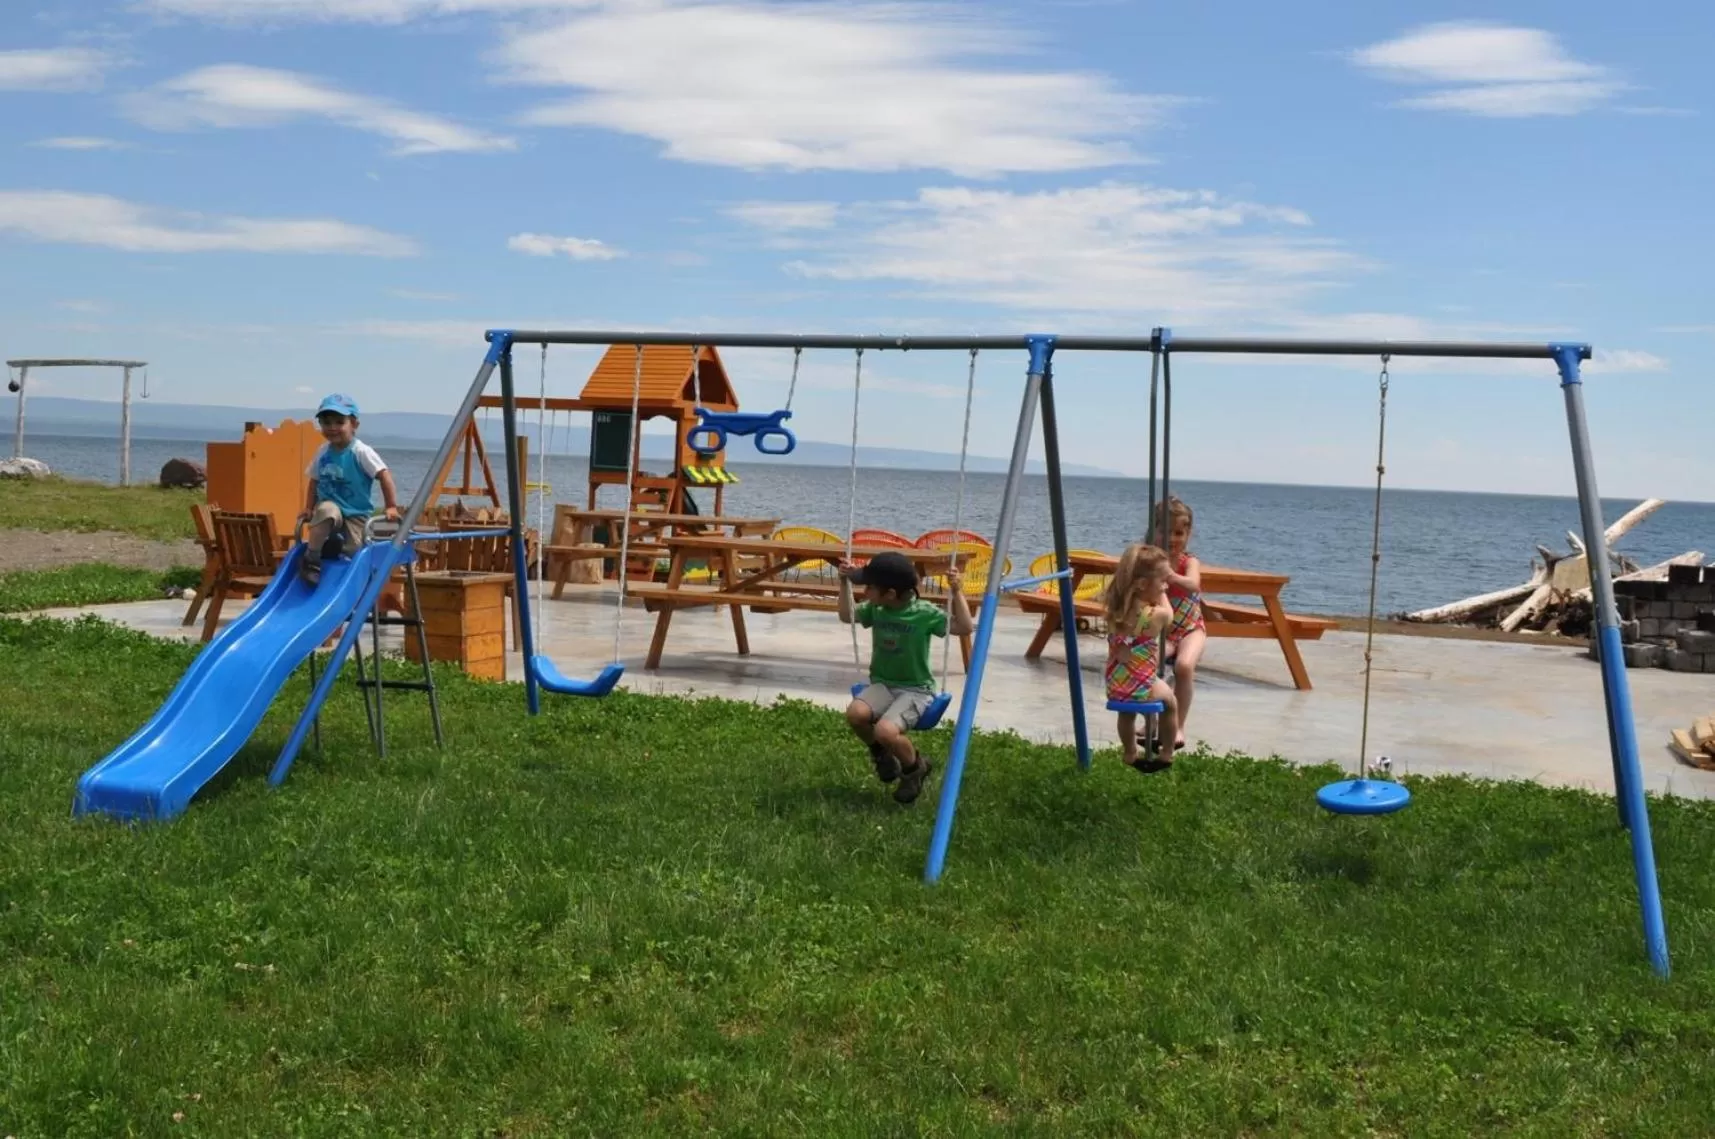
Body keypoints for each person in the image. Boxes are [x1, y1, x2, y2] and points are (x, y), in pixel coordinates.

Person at [836, 550, 974, 804]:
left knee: (886, 732)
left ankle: (914, 769)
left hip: (916, 690)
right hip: (883, 685)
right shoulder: (877, 609)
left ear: (890, 594)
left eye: (869, 588)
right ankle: (881, 755)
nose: (865, 593)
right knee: (856, 715)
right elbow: (848, 616)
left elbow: (964, 627)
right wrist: (843, 582)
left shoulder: (924, 613)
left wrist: (957, 591)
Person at [296, 393, 399, 583]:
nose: (332, 428)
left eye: (339, 422)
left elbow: (384, 474)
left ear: (354, 425)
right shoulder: (323, 451)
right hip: (330, 504)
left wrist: (391, 505)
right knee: (325, 512)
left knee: (356, 550)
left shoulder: (361, 451)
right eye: (326, 423)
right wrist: (309, 507)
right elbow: (314, 480)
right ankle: (312, 558)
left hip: (355, 511)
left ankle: (336, 550)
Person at [1103, 541, 1179, 773]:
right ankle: (1167, 752)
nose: (1166, 586)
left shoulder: (1117, 610)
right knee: (1170, 704)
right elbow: (1170, 617)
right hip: (1142, 685)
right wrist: (1164, 596)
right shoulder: (1152, 616)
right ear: (1143, 584)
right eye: (1163, 582)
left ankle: (1129, 752)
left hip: (1116, 683)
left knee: (1126, 713)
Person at [1155, 496, 1206, 748]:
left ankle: (1178, 727)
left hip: (1190, 628)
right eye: (1166, 532)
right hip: (1164, 630)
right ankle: (1152, 720)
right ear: (1154, 531)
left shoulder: (1189, 562)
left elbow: (1193, 584)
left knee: (1184, 667)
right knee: (1147, 666)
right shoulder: (1151, 561)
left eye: (1178, 533)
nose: (1172, 539)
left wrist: (1171, 576)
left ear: (1188, 534)